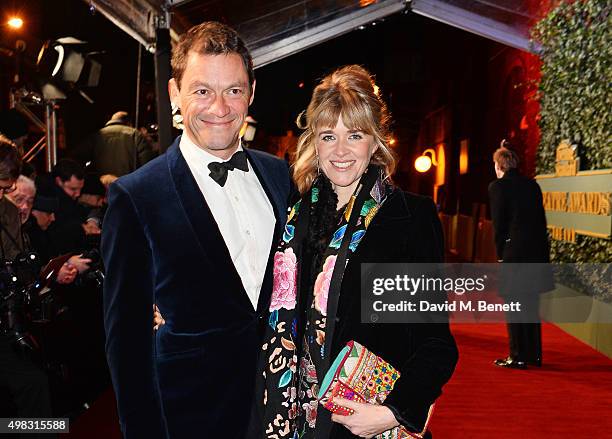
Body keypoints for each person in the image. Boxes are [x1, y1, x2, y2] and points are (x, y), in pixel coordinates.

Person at [102, 21, 291, 439]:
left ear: (251, 93)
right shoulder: (136, 196)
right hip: (191, 419)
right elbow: (127, 347)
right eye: (203, 90)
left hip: (283, 409)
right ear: (175, 94)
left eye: (234, 90)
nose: (220, 108)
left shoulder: (281, 176)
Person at [257, 65, 458, 439]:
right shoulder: (291, 215)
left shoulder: (408, 219)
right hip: (290, 419)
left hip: (360, 424)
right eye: (328, 136)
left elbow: (435, 341)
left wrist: (393, 411)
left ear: (375, 140)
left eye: (355, 135)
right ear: (313, 142)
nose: (341, 151)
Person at [0, 135, 53, 429]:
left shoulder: (7, 212)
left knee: (35, 384)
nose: (2, 196)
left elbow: (17, 260)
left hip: (5, 323)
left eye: (6, 190)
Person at [488, 144, 551, 369]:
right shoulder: (532, 186)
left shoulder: (498, 187)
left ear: (500, 165)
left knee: (514, 305)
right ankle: (534, 354)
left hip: (514, 255)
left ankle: (517, 355)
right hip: (535, 254)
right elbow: (540, 222)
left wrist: (500, 256)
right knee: (531, 306)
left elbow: (499, 226)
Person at [75, 111, 156, 177]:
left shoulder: (97, 136)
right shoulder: (135, 134)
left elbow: (77, 157)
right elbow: (147, 163)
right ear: (129, 122)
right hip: (128, 187)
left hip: (102, 188)